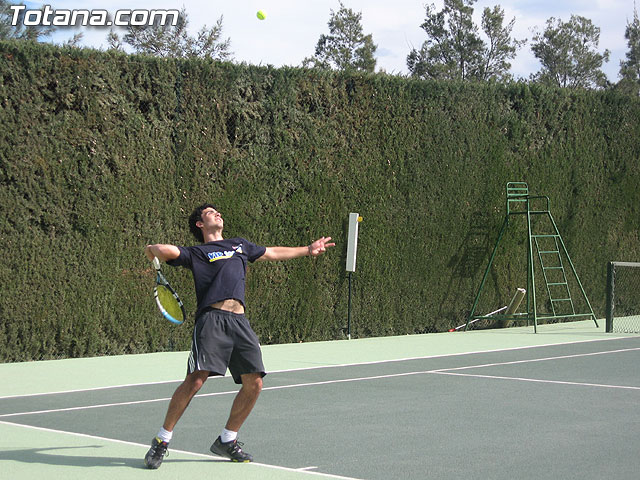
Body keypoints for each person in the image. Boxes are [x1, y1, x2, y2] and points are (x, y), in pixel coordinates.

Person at [143, 203, 335, 469]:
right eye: (211, 213)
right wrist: (153, 250)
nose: (218, 214)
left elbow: (273, 252)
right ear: (200, 224)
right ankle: (162, 440)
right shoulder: (198, 253)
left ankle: (227, 439)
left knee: (254, 383)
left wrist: (308, 250)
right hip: (211, 320)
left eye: (218, 211)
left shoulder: (240, 245)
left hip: (239, 322)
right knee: (196, 381)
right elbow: (167, 251)